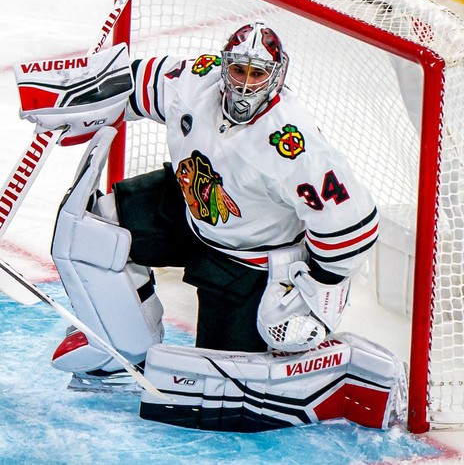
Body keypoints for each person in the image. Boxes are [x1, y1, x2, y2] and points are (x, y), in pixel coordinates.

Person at [21, 23, 404, 430]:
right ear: (224, 65)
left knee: (219, 375)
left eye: (257, 75)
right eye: (238, 70)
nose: (244, 85)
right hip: (192, 206)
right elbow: (132, 84)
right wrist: (73, 95)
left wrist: (312, 295)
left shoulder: (293, 143)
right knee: (97, 227)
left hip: (251, 261)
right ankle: (123, 353)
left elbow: (350, 226)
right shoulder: (197, 79)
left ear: (276, 76)